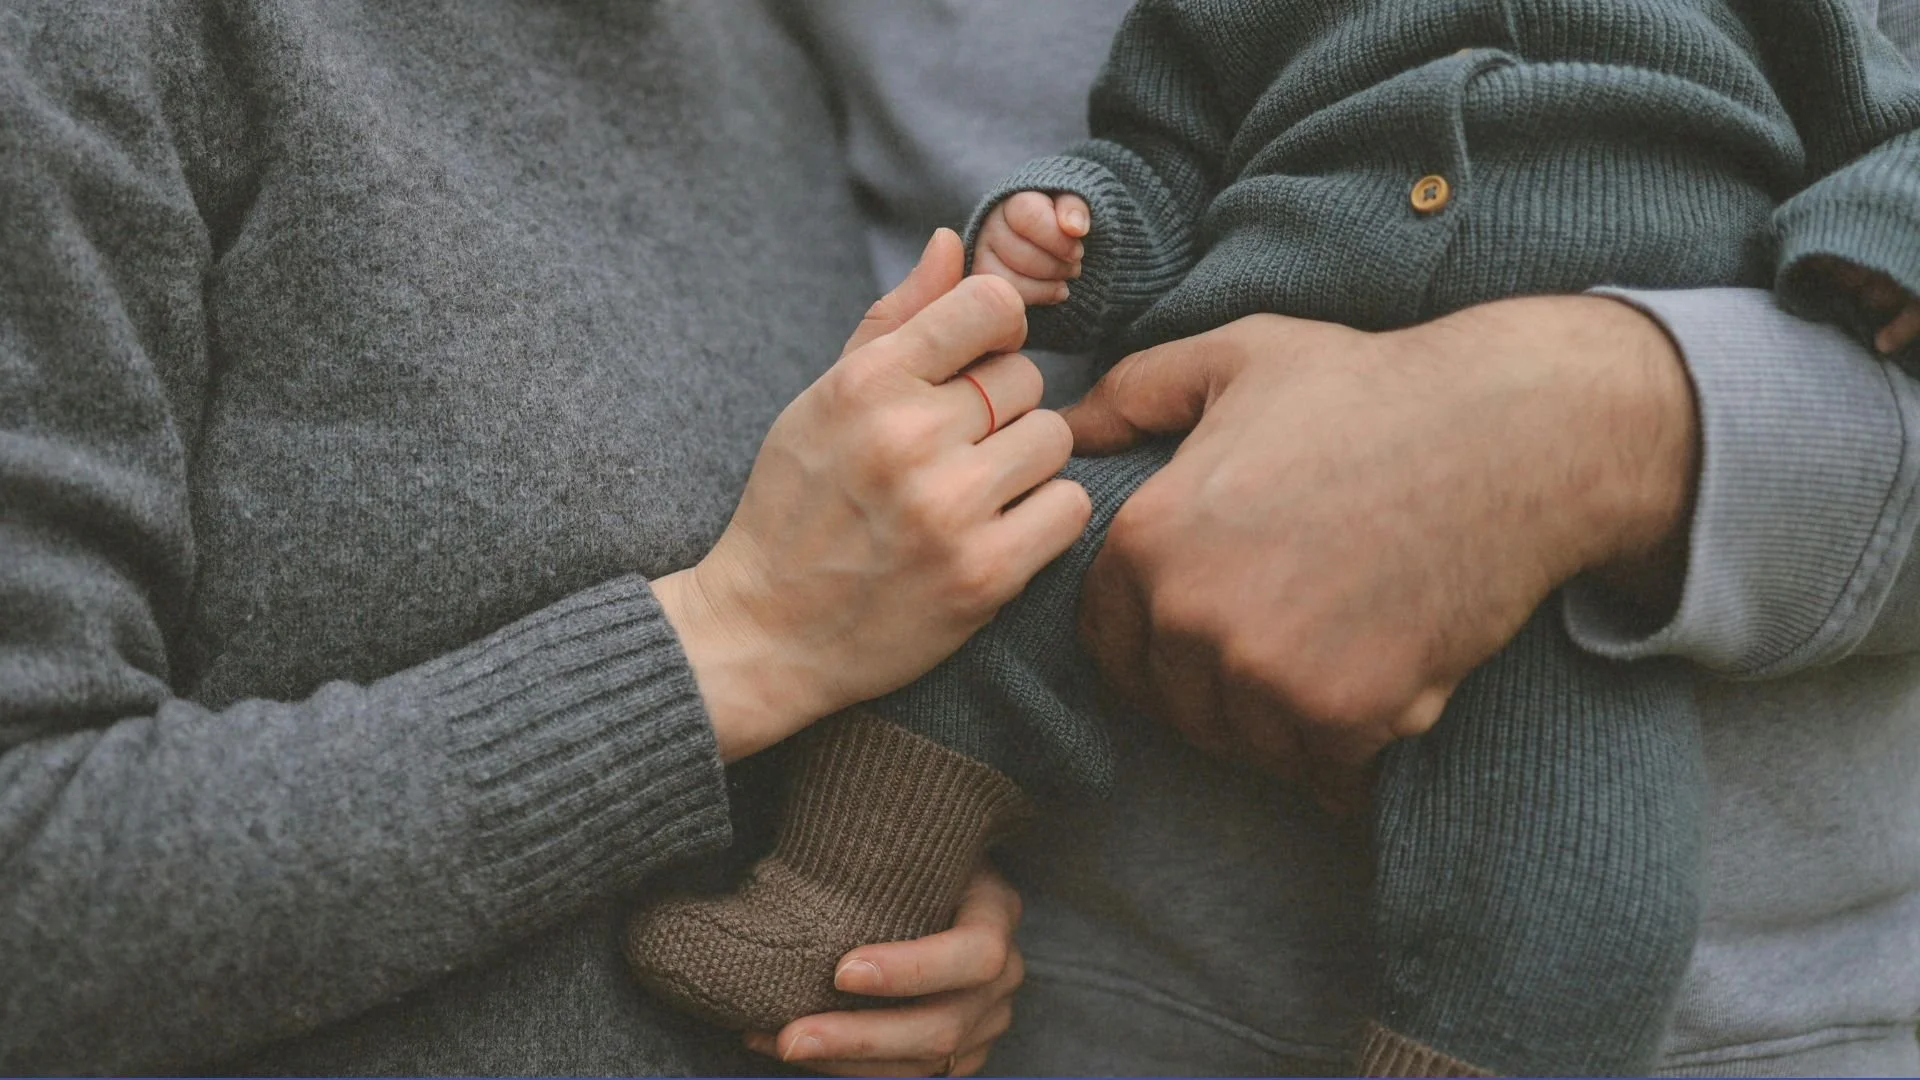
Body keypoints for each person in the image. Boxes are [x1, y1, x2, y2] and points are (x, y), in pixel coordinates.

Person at [641, 1, 1920, 1076]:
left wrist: (1872, 252)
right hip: (1184, 464)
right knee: (982, 614)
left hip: (1583, 621)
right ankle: (833, 905)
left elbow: (1894, 130)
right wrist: (1075, 227)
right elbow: (1160, 148)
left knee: (1575, 882)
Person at [0, 2, 1077, 1074]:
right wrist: (740, 638)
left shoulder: (758, 51)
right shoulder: (105, 38)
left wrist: (875, 888)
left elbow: (811, 656)